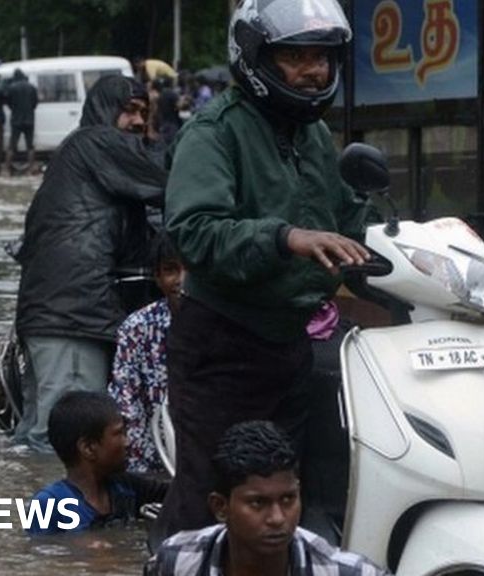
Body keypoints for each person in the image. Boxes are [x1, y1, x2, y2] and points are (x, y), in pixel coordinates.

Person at [154, 0, 376, 544]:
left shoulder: (314, 136)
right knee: (213, 502)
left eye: (323, 57)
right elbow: (195, 231)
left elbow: (347, 219)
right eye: (296, 56)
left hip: (290, 345)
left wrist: (411, 241)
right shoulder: (215, 132)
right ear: (255, 58)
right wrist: (283, 237)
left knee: (280, 499)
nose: (315, 70)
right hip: (223, 346)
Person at [13, 75, 167, 450]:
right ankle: (58, 510)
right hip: (72, 318)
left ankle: (26, 502)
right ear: (103, 110)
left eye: (143, 113)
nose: (137, 122)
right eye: (128, 111)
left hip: (61, 316)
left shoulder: (84, 156)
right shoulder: (94, 143)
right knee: (70, 443)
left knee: (41, 437)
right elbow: (170, 178)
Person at [146, 420, 390, 576]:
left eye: (288, 499)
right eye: (258, 503)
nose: (277, 518)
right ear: (221, 507)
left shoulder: (349, 573)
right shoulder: (176, 562)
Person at [27, 390, 168, 536]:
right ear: (88, 448)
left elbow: (178, 493)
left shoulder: (127, 487)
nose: (127, 442)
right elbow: (40, 551)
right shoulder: (47, 504)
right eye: (119, 434)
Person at [107, 233, 184, 473]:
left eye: (192, 270)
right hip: (156, 458)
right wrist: (143, 473)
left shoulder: (227, 324)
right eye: (171, 270)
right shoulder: (137, 327)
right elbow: (128, 405)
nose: (182, 280)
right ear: (157, 277)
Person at [3, 69, 38, 176]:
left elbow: (8, 102)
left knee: (12, 145)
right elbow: (35, 103)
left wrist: (14, 109)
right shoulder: (32, 87)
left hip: (16, 120)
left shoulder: (12, 88)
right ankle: (30, 169)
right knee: (30, 146)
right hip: (29, 120)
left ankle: (7, 170)